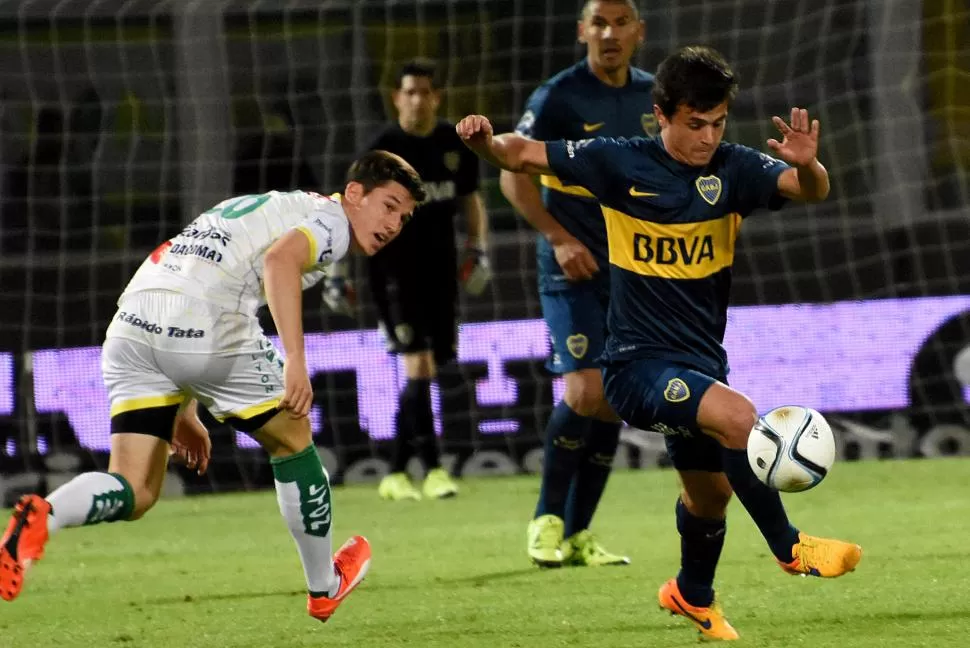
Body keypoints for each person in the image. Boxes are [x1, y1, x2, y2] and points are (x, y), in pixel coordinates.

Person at [456, 46, 862, 641]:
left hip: (701, 361)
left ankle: (691, 595)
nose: (707, 136)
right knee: (739, 419)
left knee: (710, 498)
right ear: (662, 115)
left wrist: (807, 165)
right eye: (695, 124)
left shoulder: (734, 169)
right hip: (635, 366)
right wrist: (482, 143)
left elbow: (812, 191)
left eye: (718, 122)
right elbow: (520, 153)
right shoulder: (619, 164)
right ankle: (791, 546)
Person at [0, 151, 427, 624]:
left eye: (404, 217)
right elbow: (280, 261)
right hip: (206, 323)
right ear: (354, 194)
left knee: (135, 488)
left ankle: (42, 516)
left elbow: (196, 272)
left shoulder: (267, 204)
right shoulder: (330, 221)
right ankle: (324, 585)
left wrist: (184, 409)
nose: (394, 224)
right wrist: (296, 362)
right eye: (389, 206)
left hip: (132, 322)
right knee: (293, 441)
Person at [500, 0, 652, 568]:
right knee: (585, 390)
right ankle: (546, 518)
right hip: (571, 269)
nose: (609, 34)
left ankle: (579, 533)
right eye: (599, 24)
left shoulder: (654, 96)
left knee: (614, 401)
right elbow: (513, 179)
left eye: (620, 23)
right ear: (582, 30)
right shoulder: (558, 97)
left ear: (639, 31)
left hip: (633, 269)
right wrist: (559, 237)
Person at [358, 58, 489, 502]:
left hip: (440, 272)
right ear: (397, 97)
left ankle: (395, 472)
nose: (416, 100)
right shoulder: (382, 151)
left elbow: (471, 200)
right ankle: (432, 468)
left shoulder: (453, 144)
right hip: (394, 274)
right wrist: (342, 269)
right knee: (420, 365)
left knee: (430, 366)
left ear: (436, 97)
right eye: (408, 92)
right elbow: (353, 211)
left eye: (424, 92)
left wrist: (477, 247)